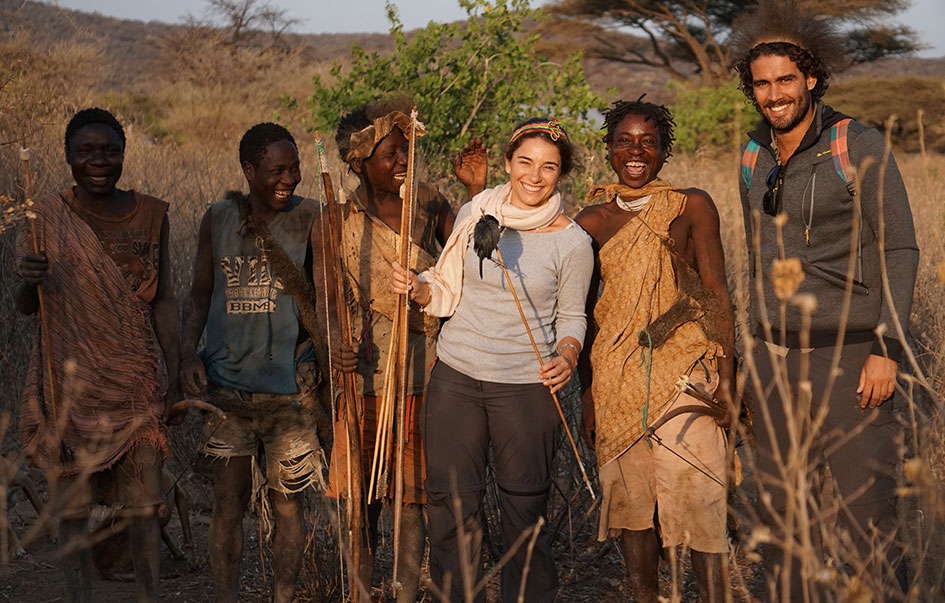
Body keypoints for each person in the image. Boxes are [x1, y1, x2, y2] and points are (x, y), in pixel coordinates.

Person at [731, 1, 918, 598]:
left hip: (850, 354)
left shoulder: (857, 145)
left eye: (786, 79)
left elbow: (900, 249)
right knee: (783, 514)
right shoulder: (752, 156)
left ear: (811, 78)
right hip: (773, 359)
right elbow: (756, 258)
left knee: (868, 512)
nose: (774, 94)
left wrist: (888, 345)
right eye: (762, 84)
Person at [391, 117, 593, 602]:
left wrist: (567, 355)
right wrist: (418, 288)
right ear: (508, 163)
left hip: (526, 388)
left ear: (561, 174)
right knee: (452, 506)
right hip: (456, 379)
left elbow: (572, 317)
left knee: (524, 513)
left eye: (549, 167)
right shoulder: (476, 211)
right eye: (525, 162)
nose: (534, 176)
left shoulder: (573, 242)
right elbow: (445, 286)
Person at [14, 107, 179, 603]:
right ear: (68, 157)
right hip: (66, 387)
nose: (98, 161)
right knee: (72, 509)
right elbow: (27, 308)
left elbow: (165, 299)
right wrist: (29, 279)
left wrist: (177, 368)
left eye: (109, 150)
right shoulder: (43, 218)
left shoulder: (152, 214)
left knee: (144, 507)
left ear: (124, 155)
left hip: (134, 387)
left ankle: (149, 595)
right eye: (85, 151)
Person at [575, 98, 736, 602]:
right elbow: (577, 314)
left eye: (648, 141)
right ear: (608, 150)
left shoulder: (691, 205)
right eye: (624, 141)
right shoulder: (591, 220)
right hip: (615, 376)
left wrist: (728, 379)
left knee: (699, 498)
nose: (636, 151)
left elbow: (716, 292)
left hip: (686, 366)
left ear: (665, 151)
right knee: (631, 502)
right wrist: (587, 395)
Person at [325, 97, 486, 601]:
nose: (402, 162)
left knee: (411, 497)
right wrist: (336, 346)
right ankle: (358, 591)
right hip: (364, 379)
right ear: (358, 162)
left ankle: (403, 591)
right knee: (359, 501)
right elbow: (328, 297)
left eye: (406, 152)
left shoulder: (430, 203)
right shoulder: (337, 219)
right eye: (391, 153)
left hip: (425, 371)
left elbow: (471, 256)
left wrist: (475, 191)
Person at [180, 122, 326, 603]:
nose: (290, 178)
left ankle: (283, 597)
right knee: (228, 503)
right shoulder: (218, 218)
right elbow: (199, 296)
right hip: (226, 389)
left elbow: (328, 301)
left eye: (295, 168)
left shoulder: (312, 218)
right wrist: (186, 355)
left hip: (291, 390)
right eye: (276, 170)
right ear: (248, 170)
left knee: (289, 508)